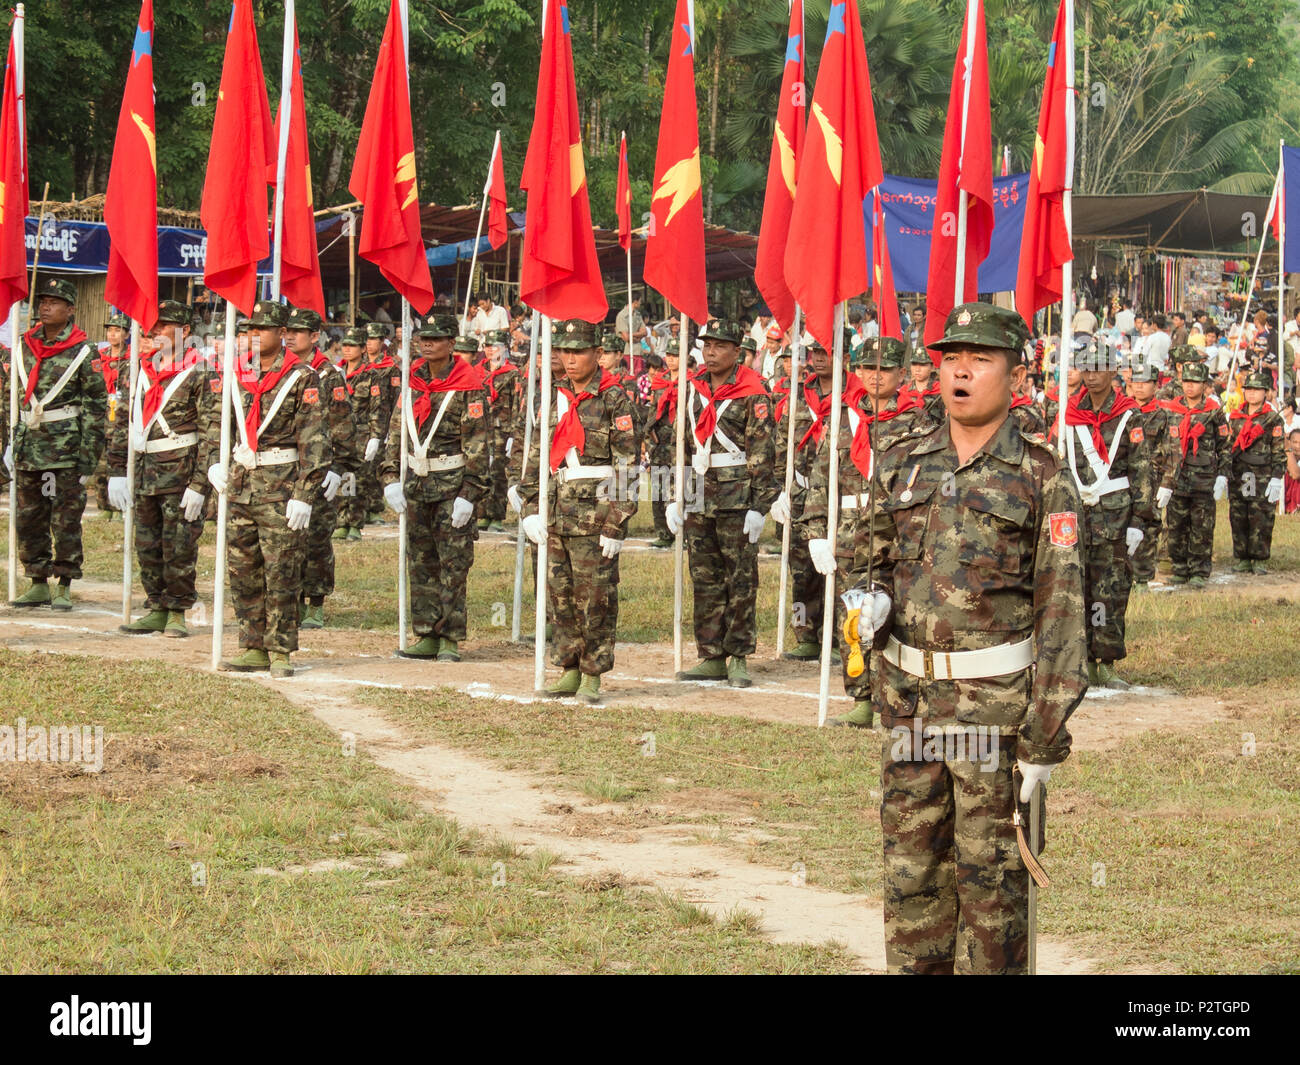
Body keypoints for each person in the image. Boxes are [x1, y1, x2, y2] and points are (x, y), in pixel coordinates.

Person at [850, 301, 1087, 975]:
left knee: (991, 888)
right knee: (912, 875)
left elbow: (1063, 618)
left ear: (1014, 374)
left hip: (994, 714)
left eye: (980, 359)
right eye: (951, 358)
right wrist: (867, 610)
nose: (961, 372)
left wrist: (1045, 736)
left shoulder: (1043, 476)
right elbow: (868, 561)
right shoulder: (902, 460)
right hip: (912, 706)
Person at [792, 336, 924, 727]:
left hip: (900, 534)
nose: (875, 376)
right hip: (851, 536)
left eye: (884, 369)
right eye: (867, 368)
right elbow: (821, 479)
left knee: (900, 616)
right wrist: (817, 531)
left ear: (901, 373)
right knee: (854, 616)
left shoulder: (920, 422)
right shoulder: (841, 420)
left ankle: (899, 696)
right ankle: (861, 697)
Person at [204, 300, 330, 677]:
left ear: (282, 334)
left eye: (263, 329)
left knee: (282, 571)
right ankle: (252, 644)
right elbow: (217, 424)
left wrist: (305, 495)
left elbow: (314, 441)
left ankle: (280, 650)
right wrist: (214, 460)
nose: (254, 336)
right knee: (243, 569)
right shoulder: (234, 374)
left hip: (280, 487)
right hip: (241, 485)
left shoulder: (302, 376)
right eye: (249, 329)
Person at [519, 319, 640, 702]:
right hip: (555, 514)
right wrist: (530, 508)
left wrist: (617, 522)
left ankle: (592, 673)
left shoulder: (614, 399)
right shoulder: (552, 396)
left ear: (597, 354)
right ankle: (569, 666)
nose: (570, 359)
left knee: (596, 599)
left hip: (595, 516)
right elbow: (538, 458)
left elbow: (628, 465)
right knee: (559, 595)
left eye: (579, 352)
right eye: (565, 351)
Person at [668, 319, 778, 688]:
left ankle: (739, 656)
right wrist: (674, 495)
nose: (710, 352)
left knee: (741, 579)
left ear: (737, 351)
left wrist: (760, 506)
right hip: (699, 493)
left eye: (719, 346)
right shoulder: (691, 390)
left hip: (737, 495)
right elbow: (679, 446)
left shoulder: (753, 391)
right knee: (705, 578)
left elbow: (762, 451)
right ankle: (711, 654)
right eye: (707, 345)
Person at [380, 314, 490, 660]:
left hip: (452, 485)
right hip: (418, 485)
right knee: (422, 562)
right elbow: (397, 432)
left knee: (453, 564)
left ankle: (449, 638)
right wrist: (389, 479)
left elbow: (478, 445)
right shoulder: (411, 382)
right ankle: (426, 631)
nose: (427, 344)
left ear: (451, 344)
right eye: (423, 338)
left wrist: (469, 495)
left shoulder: (467, 385)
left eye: (436, 338)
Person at [1047, 339, 1155, 688]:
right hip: (1076, 517)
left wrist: (1141, 520)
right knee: (1076, 589)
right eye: (1086, 368)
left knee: (1111, 590)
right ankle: (1080, 662)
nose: (1091, 377)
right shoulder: (1069, 412)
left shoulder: (1127, 413)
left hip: (1114, 517)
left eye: (1098, 369)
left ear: (1112, 371)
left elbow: (1141, 470)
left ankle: (1105, 662)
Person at [2, 277, 109, 609]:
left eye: (53, 302)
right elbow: (10, 398)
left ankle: (63, 582)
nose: (44, 307)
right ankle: (37, 580)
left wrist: (88, 457)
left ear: (70, 309)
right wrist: (8, 442)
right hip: (29, 448)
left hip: (65, 449)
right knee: (29, 517)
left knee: (65, 518)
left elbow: (95, 406)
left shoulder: (83, 350)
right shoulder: (23, 346)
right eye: (42, 301)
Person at [108, 300, 212, 637]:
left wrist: (200, 483)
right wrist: (117, 470)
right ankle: (156, 604)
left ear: (184, 333)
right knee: (147, 544)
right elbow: (123, 423)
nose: (154, 332)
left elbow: (211, 432)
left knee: (179, 546)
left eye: (163, 326)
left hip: (181, 472)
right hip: (144, 470)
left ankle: (178, 611)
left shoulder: (200, 371)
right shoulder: (138, 370)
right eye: (152, 326)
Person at [287, 307, 357, 628]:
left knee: (316, 536)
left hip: (322, 466)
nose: (289, 337)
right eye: (286, 331)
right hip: (287, 467)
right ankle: (291, 599)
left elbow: (342, 424)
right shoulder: (282, 371)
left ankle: (315, 601)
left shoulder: (329, 375)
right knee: (287, 536)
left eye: (296, 332)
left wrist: (338, 466)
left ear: (314, 336)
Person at [1158, 360, 1228, 588]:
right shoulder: (1170, 410)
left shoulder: (1214, 413)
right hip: (1176, 479)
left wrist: (1222, 475)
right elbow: (1163, 445)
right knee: (1176, 525)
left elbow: (1225, 445)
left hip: (1203, 479)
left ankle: (1199, 570)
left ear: (1204, 385)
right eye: (1186, 381)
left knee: (1202, 527)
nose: (1190, 386)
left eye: (1195, 382)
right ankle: (1179, 567)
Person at [1226, 371, 1286, 573]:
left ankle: (1259, 557)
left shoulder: (1272, 419)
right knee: (1238, 514)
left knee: (1260, 516)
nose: (1251, 394)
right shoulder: (1235, 417)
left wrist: (1276, 478)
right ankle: (1242, 556)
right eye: (1248, 389)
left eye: (1257, 390)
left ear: (1266, 392)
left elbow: (1278, 450)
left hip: (1262, 473)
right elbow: (1228, 446)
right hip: (1239, 471)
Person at [1127, 365, 1171, 587]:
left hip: (1152, 480)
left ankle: (1142, 577)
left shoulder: (1162, 416)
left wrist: (1167, 483)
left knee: (1149, 525)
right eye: (1136, 381)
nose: (1140, 386)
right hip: (1124, 479)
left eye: (1145, 382)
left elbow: (1172, 452)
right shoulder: (1123, 412)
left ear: (1156, 386)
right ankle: (1124, 575)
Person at [478, 328, 521, 533]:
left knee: (498, 471)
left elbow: (516, 404)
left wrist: (514, 433)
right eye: (487, 346)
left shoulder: (513, 373)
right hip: (480, 428)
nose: (490, 350)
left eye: (495, 346)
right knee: (480, 468)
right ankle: (481, 513)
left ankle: (495, 514)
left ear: (505, 348)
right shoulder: (478, 371)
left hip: (502, 429)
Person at [335, 326, 375, 541]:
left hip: (362, 431)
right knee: (342, 476)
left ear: (362, 348)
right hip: (342, 432)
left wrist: (377, 436)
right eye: (345, 345)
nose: (347, 349)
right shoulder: (336, 372)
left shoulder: (370, 374)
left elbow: (378, 406)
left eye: (352, 345)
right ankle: (341, 520)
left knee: (359, 479)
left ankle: (355, 523)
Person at [90, 311, 130, 516]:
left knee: (119, 460)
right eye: (110, 330)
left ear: (126, 334)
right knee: (100, 464)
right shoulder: (99, 358)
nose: (112, 335)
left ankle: (120, 507)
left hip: (121, 418)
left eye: (117, 331)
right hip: (100, 415)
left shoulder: (132, 360)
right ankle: (104, 507)